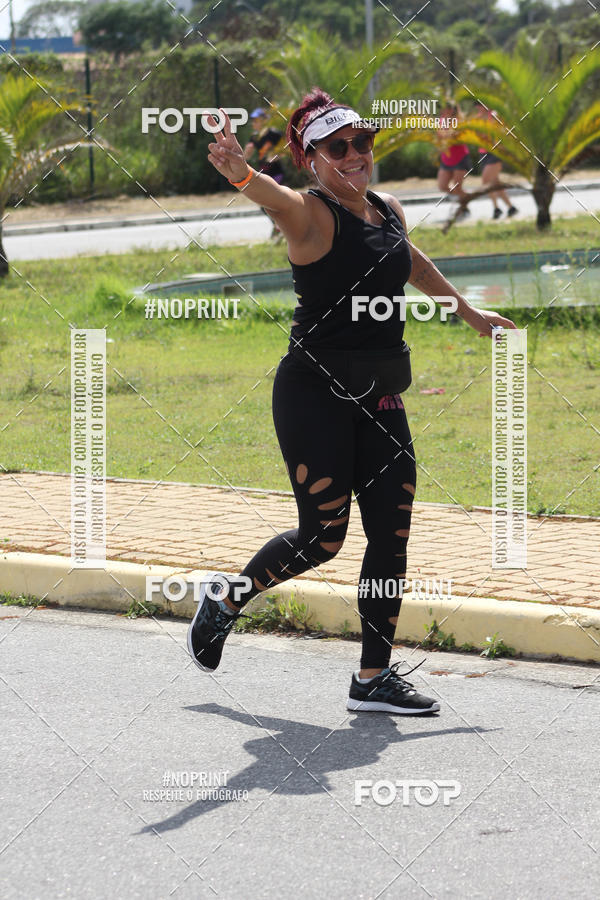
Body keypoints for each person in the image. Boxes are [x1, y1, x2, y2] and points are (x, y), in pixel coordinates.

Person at [187, 88, 516, 715]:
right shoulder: (308, 214)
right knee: (323, 538)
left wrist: (471, 313)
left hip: (381, 396)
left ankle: (372, 677)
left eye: (361, 142)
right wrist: (240, 173)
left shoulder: (388, 209)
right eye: (336, 147)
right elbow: (272, 197)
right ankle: (228, 597)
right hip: (315, 395)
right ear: (311, 159)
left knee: (392, 533)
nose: (354, 154)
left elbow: (410, 263)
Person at [244, 107, 286, 240]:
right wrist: (247, 152)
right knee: (263, 205)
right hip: (263, 174)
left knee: (272, 201)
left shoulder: (275, 133)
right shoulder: (255, 137)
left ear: (265, 121)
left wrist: (276, 156)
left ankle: (281, 228)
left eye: (257, 120)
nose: (254, 123)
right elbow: (247, 156)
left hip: (276, 173)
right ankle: (278, 226)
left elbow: (287, 148)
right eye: (253, 121)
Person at [474, 103, 518, 220]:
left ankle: (496, 208)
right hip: (483, 152)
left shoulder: (494, 115)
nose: (477, 107)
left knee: (486, 181)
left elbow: (504, 131)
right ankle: (511, 208)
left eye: (479, 104)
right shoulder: (477, 118)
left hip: (495, 152)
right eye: (476, 105)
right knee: (495, 183)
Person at [437, 103, 472, 218]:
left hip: (460, 157)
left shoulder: (459, 121)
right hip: (446, 158)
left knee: (457, 187)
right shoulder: (441, 120)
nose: (442, 110)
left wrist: (449, 136)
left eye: (445, 107)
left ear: (451, 109)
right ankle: (466, 197)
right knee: (442, 186)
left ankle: (464, 206)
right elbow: (440, 137)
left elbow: (462, 138)